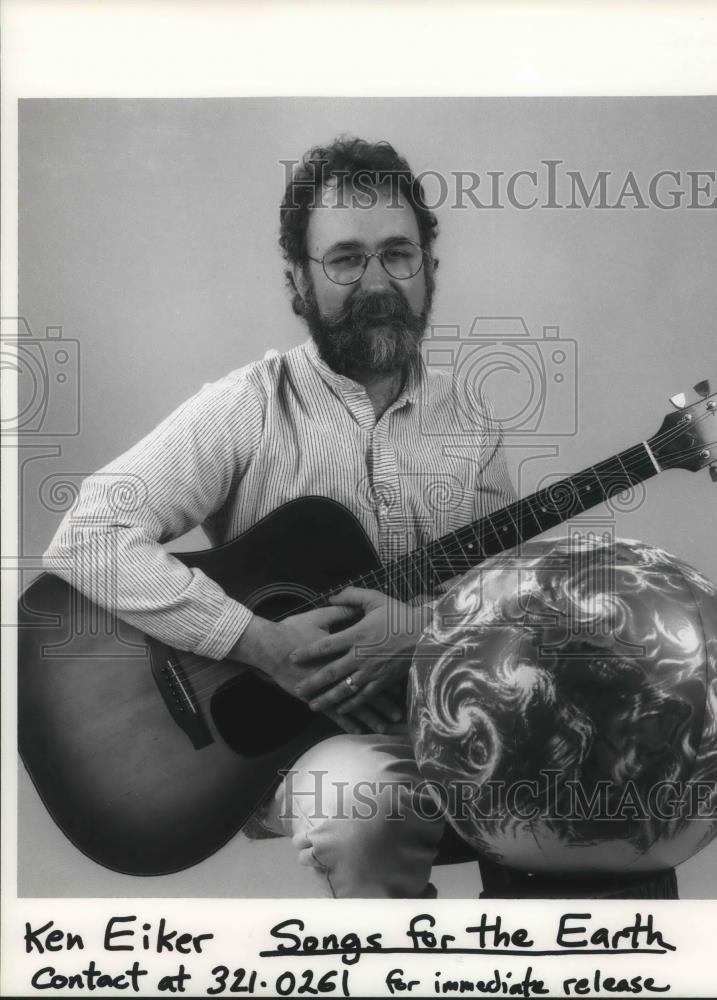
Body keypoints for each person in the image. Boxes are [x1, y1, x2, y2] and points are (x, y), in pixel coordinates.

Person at [44, 136, 516, 898]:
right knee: (362, 805)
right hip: (293, 747)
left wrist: (423, 631)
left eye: (398, 254)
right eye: (344, 259)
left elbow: (505, 604)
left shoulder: (474, 426)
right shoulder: (247, 406)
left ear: (431, 268)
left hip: (446, 725)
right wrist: (258, 642)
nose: (377, 282)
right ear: (298, 280)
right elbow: (90, 534)